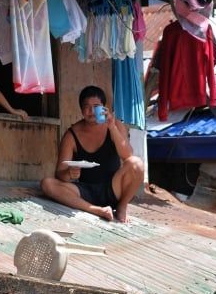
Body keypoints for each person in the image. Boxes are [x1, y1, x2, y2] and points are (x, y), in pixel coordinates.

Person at [41, 85, 144, 222]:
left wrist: (112, 127)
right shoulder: (72, 134)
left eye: (96, 106)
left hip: (113, 188)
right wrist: (69, 173)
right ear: (81, 110)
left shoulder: (116, 125)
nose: (91, 111)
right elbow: (60, 174)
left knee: (136, 163)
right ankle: (96, 210)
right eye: (86, 106)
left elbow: (127, 155)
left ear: (103, 108)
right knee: (47, 184)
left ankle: (122, 206)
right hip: (85, 191)